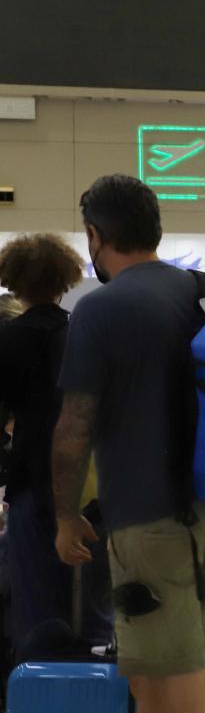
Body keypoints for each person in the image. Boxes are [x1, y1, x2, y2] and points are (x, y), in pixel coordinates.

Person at [53, 175, 205, 713]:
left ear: (95, 236)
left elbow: (74, 427)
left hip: (149, 525)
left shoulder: (100, 309)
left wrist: (64, 518)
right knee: (153, 684)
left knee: (184, 695)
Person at [0, 233, 111, 655]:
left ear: (13, 282)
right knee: (95, 606)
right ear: (64, 281)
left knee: (36, 607)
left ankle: (42, 701)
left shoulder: (8, 340)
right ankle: (99, 692)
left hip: (32, 481)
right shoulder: (80, 335)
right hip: (88, 483)